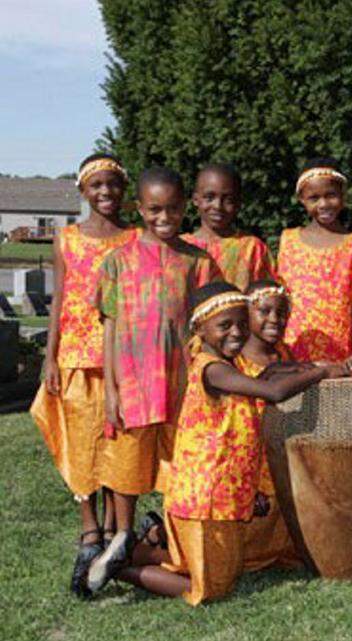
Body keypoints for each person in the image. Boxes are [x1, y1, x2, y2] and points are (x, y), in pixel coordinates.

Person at [104, 283, 348, 604]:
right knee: (211, 588)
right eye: (225, 325)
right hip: (205, 496)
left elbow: (268, 374)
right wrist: (322, 374)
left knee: (225, 568)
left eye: (242, 325)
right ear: (200, 329)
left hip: (223, 496)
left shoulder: (228, 366)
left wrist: (303, 366)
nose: (237, 332)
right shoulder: (212, 369)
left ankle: (142, 546)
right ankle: (120, 567)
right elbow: (273, 392)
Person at [88, 166, 220, 586]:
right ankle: (123, 535)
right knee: (127, 461)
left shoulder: (197, 261)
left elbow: (206, 325)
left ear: (186, 208)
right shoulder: (117, 262)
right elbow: (109, 329)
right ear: (140, 208)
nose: (165, 218)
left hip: (182, 385)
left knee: (179, 463)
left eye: (174, 209)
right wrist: (110, 389)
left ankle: (171, 535)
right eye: (155, 209)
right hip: (131, 382)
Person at [31, 154, 137, 598]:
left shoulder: (135, 239)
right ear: (82, 191)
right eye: (96, 186)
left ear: (123, 189)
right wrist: (50, 355)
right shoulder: (67, 239)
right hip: (75, 356)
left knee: (115, 441)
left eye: (112, 185)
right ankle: (89, 529)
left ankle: (117, 531)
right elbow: (58, 301)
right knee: (80, 442)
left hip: (121, 358)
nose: (105, 193)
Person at [233, 280, 304, 571]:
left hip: (279, 461)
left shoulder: (285, 355)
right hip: (247, 465)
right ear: (245, 314)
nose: (275, 319)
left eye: (281, 312)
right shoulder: (235, 361)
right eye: (264, 311)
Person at [276, 158, 352, 361]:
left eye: (331, 196)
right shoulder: (288, 240)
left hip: (340, 351)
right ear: (302, 199)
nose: (324, 204)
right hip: (291, 347)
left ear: (343, 196)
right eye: (314, 198)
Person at [182, 163, 273, 290]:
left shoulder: (252, 249)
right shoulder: (180, 247)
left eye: (228, 200)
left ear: (239, 203)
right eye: (209, 198)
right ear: (195, 199)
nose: (218, 206)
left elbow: (269, 297)